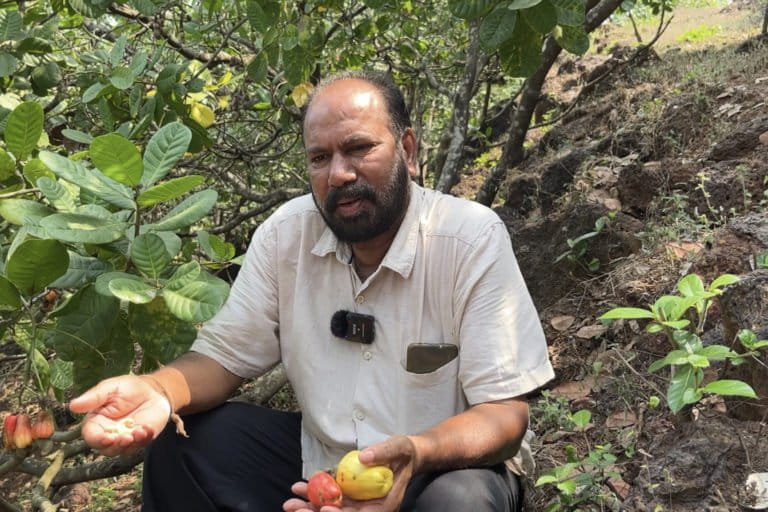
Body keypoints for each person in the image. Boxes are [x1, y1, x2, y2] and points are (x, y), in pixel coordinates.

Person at [69, 70, 555, 512]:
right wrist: (157, 390)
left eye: (359, 148)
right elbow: (223, 359)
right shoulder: (287, 235)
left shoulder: (468, 238)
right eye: (320, 158)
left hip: (438, 467)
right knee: (185, 445)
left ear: (408, 151)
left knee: (461, 501)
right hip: (321, 466)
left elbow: (505, 416)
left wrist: (417, 452)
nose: (339, 174)